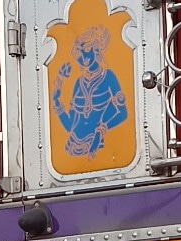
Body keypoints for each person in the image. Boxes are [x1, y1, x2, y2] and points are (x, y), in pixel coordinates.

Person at [52, 25, 128, 159]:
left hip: (96, 146)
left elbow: (123, 113)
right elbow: (70, 125)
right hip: (71, 146)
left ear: (96, 48)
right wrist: (56, 102)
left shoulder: (108, 77)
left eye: (87, 49)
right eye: (78, 53)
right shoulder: (78, 83)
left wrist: (102, 130)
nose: (83, 56)